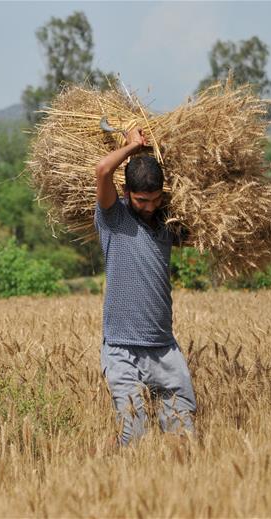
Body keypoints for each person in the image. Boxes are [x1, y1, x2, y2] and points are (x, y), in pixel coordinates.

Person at [94, 127, 197, 446]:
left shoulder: (167, 225)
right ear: (126, 193)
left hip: (165, 348)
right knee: (133, 434)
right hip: (122, 349)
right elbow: (102, 170)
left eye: (155, 199)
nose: (149, 206)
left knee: (183, 433)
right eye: (142, 200)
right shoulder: (114, 219)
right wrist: (133, 146)